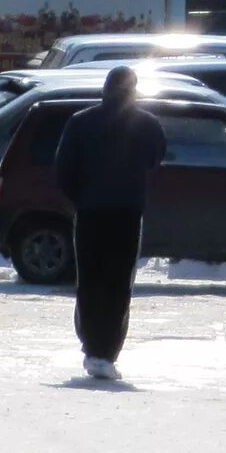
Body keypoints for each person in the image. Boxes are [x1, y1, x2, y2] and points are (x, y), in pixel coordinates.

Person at [51, 65, 169, 379]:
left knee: (90, 280)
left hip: (90, 213)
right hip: (126, 214)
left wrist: (82, 196)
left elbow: (63, 170)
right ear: (133, 90)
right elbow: (157, 157)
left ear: (105, 88)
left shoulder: (80, 122)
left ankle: (92, 348)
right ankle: (107, 351)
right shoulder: (146, 124)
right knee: (118, 282)